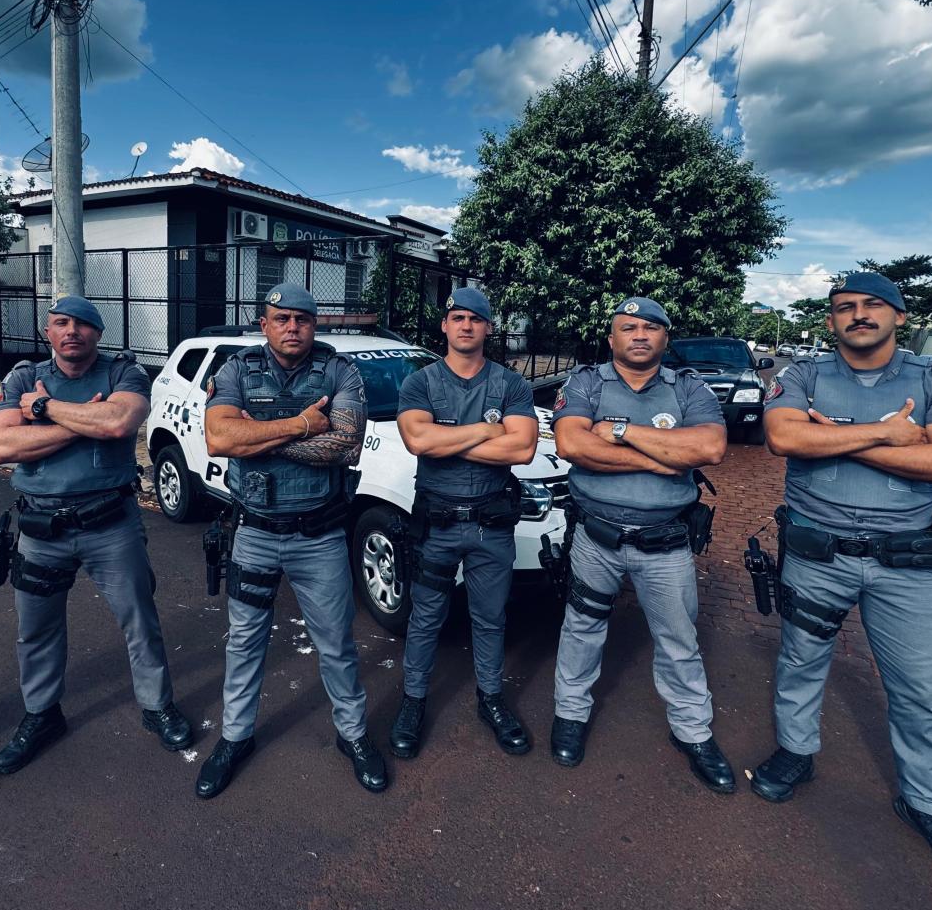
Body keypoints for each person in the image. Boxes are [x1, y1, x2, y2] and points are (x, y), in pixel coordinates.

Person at [751, 272, 932, 890]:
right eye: (844, 308)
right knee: (800, 661)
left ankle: (927, 805)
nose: (857, 315)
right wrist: (891, 434)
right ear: (830, 320)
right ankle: (795, 753)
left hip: (909, 565)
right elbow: (782, 436)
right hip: (817, 553)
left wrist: (831, 438)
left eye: (871, 306)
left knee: (919, 689)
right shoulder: (805, 374)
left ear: (897, 314)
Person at [0, 295, 192, 774]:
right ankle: (41, 715)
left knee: (140, 621)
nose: (71, 331)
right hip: (40, 527)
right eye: (61, 323)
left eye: (82, 324)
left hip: (110, 525)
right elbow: (0, 445)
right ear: (47, 332)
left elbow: (120, 419)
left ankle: (157, 706)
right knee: (36, 629)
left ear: (98, 333)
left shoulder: (124, 374)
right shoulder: (19, 377)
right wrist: (85, 425)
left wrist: (43, 408)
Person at [195, 283, 385, 798]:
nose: (292, 327)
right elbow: (220, 439)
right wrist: (302, 423)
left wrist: (258, 437)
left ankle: (354, 735)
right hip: (254, 533)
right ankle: (235, 738)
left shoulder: (340, 371)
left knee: (337, 644)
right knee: (245, 642)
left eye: (302, 319)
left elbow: (343, 444)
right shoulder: (235, 370)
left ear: (314, 325)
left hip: (319, 537)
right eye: (281, 319)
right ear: (264, 324)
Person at [548, 297, 735, 792]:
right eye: (627, 327)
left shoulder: (689, 388)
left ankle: (693, 732)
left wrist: (621, 432)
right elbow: (572, 445)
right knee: (581, 629)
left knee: (678, 640)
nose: (638, 335)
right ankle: (570, 714)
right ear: (611, 338)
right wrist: (663, 459)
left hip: (667, 543)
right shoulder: (586, 383)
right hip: (596, 536)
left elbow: (711, 449)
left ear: (664, 339)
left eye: (650, 328)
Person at [389, 287, 538, 759]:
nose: (466, 325)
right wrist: (486, 430)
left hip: (491, 527)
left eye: (476, 318)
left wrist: (445, 439)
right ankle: (412, 701)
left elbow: (523, 449)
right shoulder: (421, 383)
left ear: (488, 327)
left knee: (490, 618)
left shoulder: (510, 384)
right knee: (425, 617)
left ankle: (490, 699)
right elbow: (416, 440)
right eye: (457, 317)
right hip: (436, 525)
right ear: (445, 325)